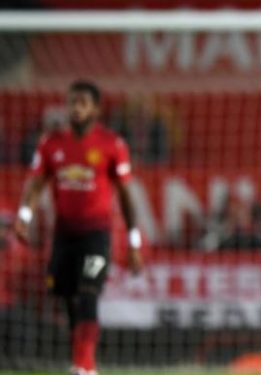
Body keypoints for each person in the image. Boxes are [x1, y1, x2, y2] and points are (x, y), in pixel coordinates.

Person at [14, 80, 144, 375]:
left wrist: (134, 243)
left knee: (89, 292)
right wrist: (24, 216)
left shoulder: (112, 144)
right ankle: (82, 359)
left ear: (96, 109)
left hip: (96, 235)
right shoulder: (51, 143)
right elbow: (36, 184)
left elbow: (126, 196)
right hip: (64, 235)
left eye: (83, 103)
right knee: (67, 296)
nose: (76, 108)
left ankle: (84, 365)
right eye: (72, 102)